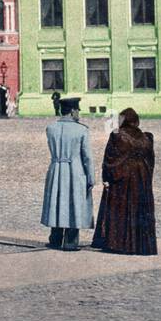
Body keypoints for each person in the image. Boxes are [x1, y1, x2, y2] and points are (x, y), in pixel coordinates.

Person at [92, 108, 156, 255]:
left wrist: (107, 178)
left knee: (121, 209)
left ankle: (119, 244)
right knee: (138, 210)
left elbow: (110, 159)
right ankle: (139, 245)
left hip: (123, 179)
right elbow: (151, 161)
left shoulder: (117, 135)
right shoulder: (146, 138)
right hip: (141, 179)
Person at [41, 96, 94, 251]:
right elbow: (87, 157)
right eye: (77, 110)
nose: (79, 113)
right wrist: (91, 178)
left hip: (56, 168)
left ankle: (55, 238)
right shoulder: (81, 130)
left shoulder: (51, 128)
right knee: (74, 203)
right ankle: (71, 242)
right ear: (72, 111)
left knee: (57, 202)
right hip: (75, 170)